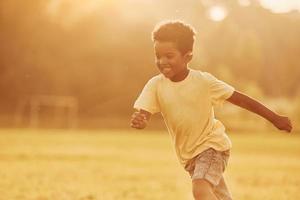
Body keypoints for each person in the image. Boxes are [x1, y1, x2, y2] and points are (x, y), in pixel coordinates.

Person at [130, 20, 292, 200]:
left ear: (187, 56)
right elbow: (144, 111)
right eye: (158, 56)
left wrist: (274, 118)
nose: (162, 62)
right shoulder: (155, 85)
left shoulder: (203, 82)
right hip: (189, 157)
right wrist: (141, 119)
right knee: (217, 196)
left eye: (169, 56)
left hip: (212, 147)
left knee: (200, 189)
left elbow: (240, 99)